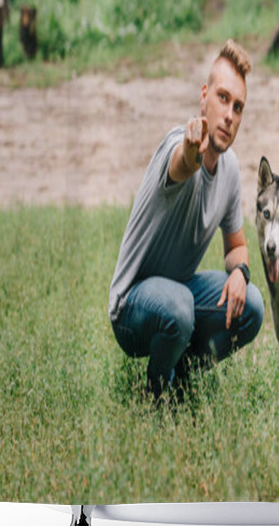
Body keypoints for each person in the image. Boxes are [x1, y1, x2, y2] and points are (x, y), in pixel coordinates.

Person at [108, 40, 264, 398]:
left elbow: (237, 246)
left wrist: (240, 273)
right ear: (204, 95)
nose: (229, 115)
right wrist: (193, 148)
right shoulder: (177, 146)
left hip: (177, 293)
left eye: (238, 107)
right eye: (223, 99)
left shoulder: (230, 169)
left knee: (252, 305)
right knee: (179, 307)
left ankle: (183, 373)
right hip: (131, 307)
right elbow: (183, 163)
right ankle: (157, 392)